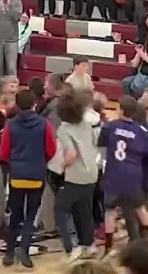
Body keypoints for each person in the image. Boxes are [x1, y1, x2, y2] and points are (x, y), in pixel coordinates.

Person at [0, 90, 57, 268]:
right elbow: (51, 149)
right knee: (31, 215)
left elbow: (3, 153)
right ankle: (24, 249)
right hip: (36, 174)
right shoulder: (44, 124)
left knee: (15, 214)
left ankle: (9, 253)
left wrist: (15, 163)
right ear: (34, 104)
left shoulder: (11, 125)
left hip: (16, 175)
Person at [99, 96, 148, 259]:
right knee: (140, 208)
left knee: (110, 210)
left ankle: (108, 248)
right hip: (132, 175)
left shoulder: (111, 126)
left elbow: (101, 142)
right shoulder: (140, 131)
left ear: (122, 111)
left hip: (113, 174)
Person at [54, 89, 101, 262]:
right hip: (92, 172)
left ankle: (71, 247)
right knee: (85, 210)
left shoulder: (63, 129)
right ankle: (89, 245)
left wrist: (61, 165)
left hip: (76, 175)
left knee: (60, 209)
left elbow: (72, 154)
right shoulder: (87, 124)